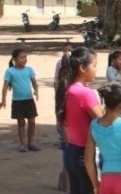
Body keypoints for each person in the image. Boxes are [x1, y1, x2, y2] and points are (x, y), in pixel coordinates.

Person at [56, 47, 104, 194]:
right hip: (85, 155)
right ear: (83, 68)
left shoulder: (67, 89)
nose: (96, 70)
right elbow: (104, 121)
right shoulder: (85, 93)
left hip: (71, 151)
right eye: (94, 66)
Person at [2, 48, 40, 153]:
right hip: (17, 101)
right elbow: (5, 86)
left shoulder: (29, 70)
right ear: (14, 59)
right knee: (21, 122)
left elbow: (34, 83)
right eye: (21, 57)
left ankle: (31, 143)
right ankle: (23, 144)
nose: (24, 60)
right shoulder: (9, 71)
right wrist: (3, 99)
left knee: (32, 122)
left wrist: (36, 91)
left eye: (25, 57)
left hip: (29, 100)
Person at [53, 43, 73, 193]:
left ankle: (64, 179)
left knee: (68, 155)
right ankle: (65, 181)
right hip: (68, 128)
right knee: (69, 155)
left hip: (65, 124)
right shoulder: (73, 92)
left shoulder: (67, 92)